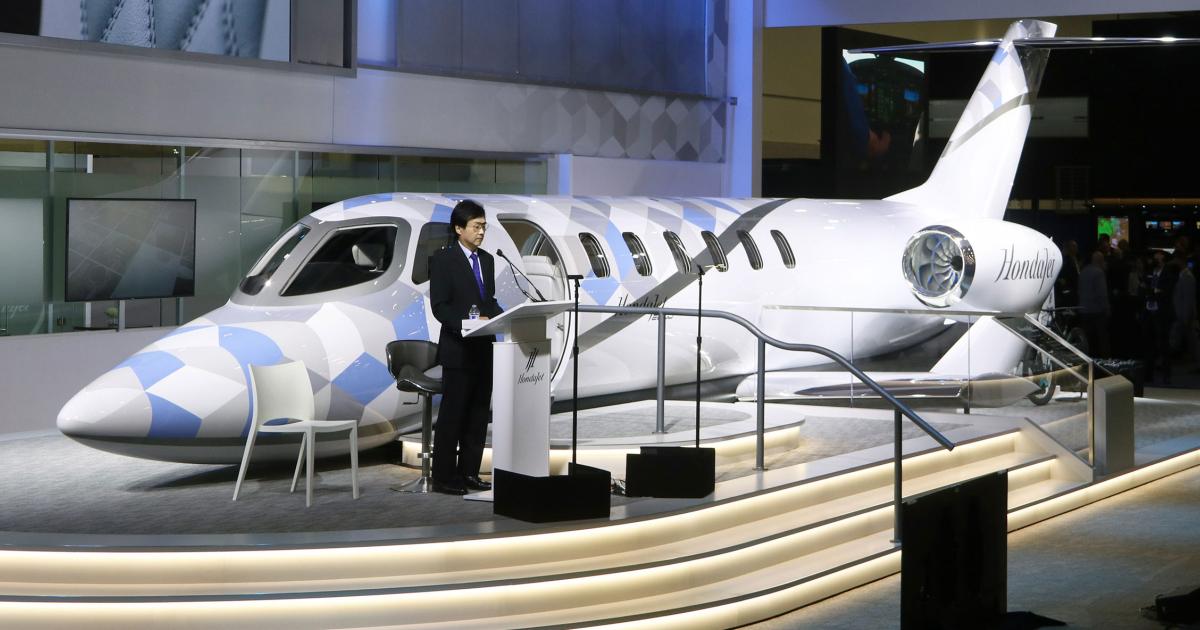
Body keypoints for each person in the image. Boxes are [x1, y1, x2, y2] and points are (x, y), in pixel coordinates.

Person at [428, 200, 504, 495]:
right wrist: (465, 323)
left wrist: (505, 316)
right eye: (476, 226)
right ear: (459, 228)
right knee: (453, 415)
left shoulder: (487, 260)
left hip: (484, 348)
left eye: (484, 226)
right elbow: (440, 307)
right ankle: (444, 477)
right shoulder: (443, 260)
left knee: (478, 415)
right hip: (458, 349)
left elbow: (489, 302)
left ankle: (469, 472)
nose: (481, 231)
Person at [1078, 251, 1110, 357]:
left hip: (1084, 309)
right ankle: (1104, 361)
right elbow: (1102, 293)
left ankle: (1088, 359)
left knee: (1087, 339)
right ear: (1101, 260)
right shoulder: (1099, 273)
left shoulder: (1083, 271)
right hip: (1097, 310)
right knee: (1101, 338)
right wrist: (1107, 308)